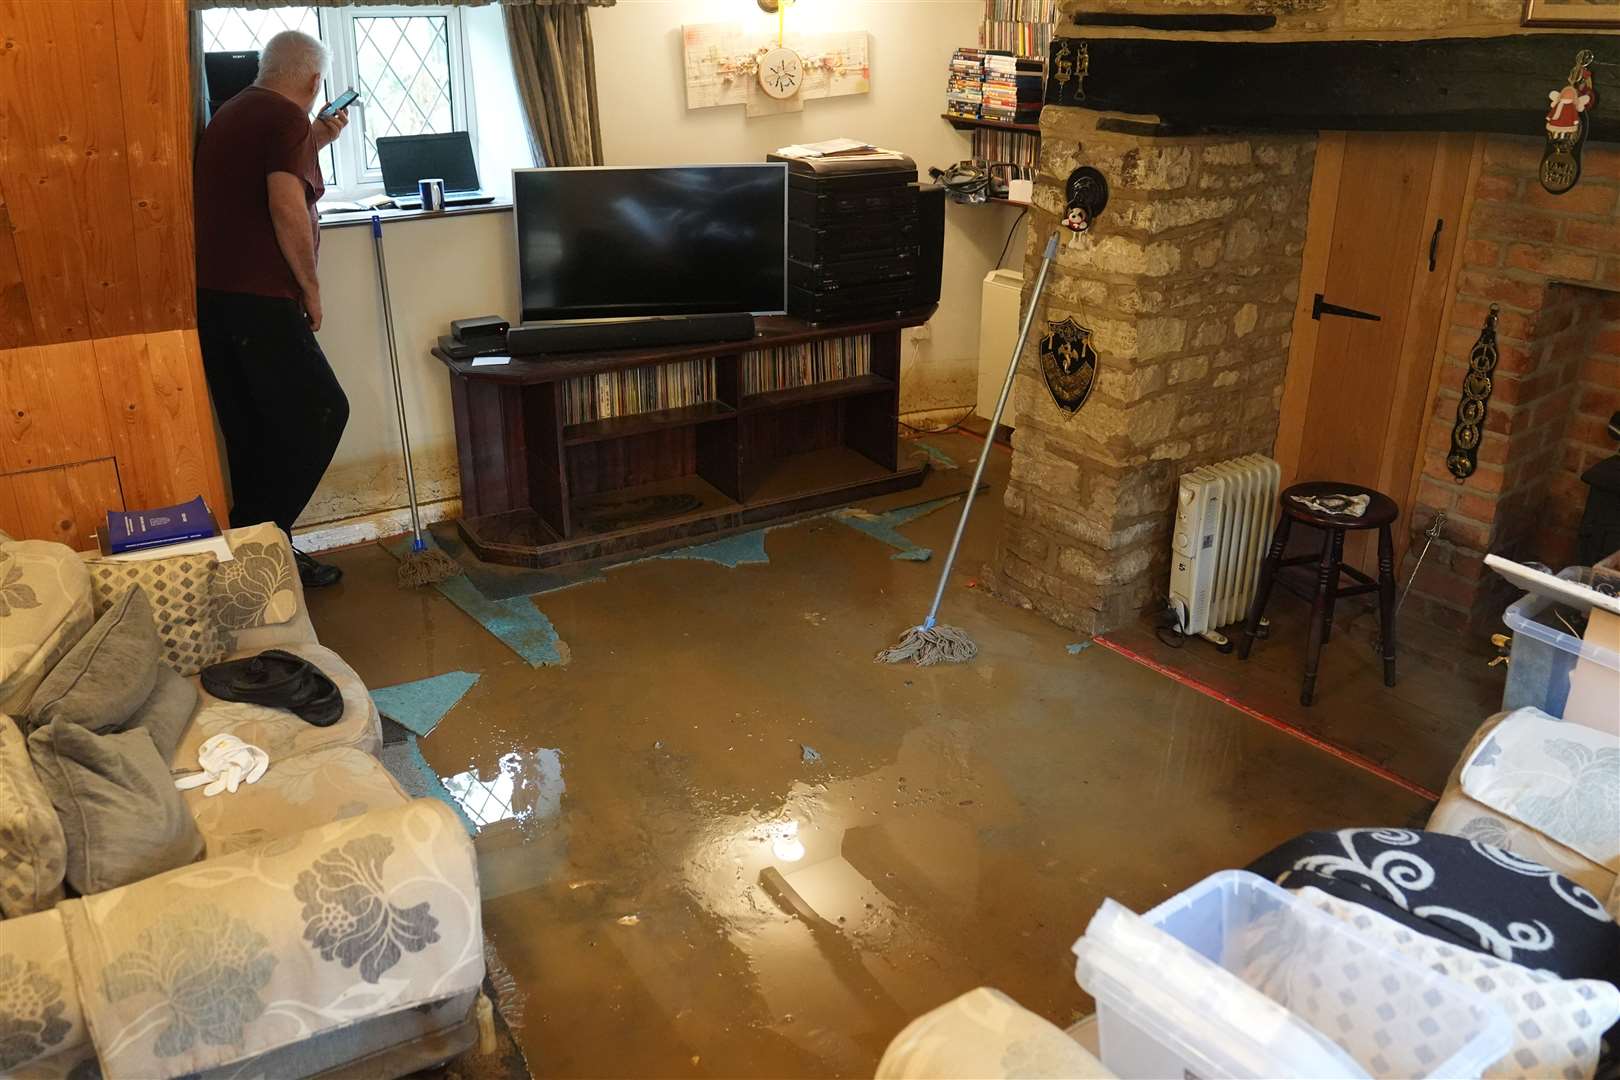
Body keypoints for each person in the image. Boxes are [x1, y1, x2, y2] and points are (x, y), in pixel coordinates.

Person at [194, 30, 351, 588]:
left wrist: (316, 142)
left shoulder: (236, 111)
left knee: (254, 429)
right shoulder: (285, 119)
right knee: (323, 412)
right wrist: (310, 289)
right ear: (314, 82)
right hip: (260, 300)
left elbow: (258, 176)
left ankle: (262, 554)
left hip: (215, 301)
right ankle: (260, 543)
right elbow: (286, 205)